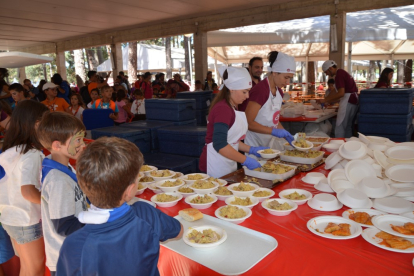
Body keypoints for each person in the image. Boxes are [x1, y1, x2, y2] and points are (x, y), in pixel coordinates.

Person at [56, 136, 183, 275]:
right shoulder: (145, 214)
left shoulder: (73, 245)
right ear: (129, 191)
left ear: (81, 184)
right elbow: (179, 231)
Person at [0, 101, 49, 276]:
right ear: (36, 124)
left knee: (27, 267)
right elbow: (27, 191)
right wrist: (51, 201)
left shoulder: (12, 150)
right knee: (34, 269)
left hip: (10, 217)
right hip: (26, 220)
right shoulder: (32, 154)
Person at [37, 112, 87, 276]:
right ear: (57, 145)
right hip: (67, 259)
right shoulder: (58, 180)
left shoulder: (63, 166)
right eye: (78, 141)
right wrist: (96, 222)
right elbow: (64, 226)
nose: (83, 145)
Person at [199, 67, 267, 177]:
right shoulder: (223, 109)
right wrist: (246, 160)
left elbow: (231, 140)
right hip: (215, 163)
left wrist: (252, 149)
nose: (247, 96)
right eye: (244, 92)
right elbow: (220, 144)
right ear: (232, 89)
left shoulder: (232, 107)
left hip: (227, 162)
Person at [244, 51, 295, 151]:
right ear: (275, 72)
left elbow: (273, 119)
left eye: (290, 78)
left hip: (268, 143)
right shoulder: (261, 90)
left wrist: (285, 133)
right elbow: (248, 123)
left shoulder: (279, 92)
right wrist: (273, 131)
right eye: (286, 77)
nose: (288, 82)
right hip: (254, 143)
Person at [318, 60, 358, 138]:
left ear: (330, 68)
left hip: (348, 101)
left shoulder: (339, 75)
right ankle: (347, 145)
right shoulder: (342, 73)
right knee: (347, 126)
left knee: (340, 126)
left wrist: (325, 100)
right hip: (353, 101)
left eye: (326, 72)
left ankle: (338, 145)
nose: (326, 74)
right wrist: (326, 99)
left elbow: (340, 93)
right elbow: (334, 91)